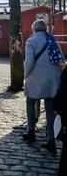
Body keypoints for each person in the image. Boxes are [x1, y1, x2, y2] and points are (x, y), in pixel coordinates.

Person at [23, 19, 64, 154]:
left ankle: (31, 132)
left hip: (36, 79)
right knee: (50, 109)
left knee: (30, 102)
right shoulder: (52, 40)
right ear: (45, 29)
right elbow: (61, 59)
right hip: (52, 79)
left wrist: (25, 75)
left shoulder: (31, 41)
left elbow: (29, 62)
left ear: (34, 29)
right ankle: (51, 139)